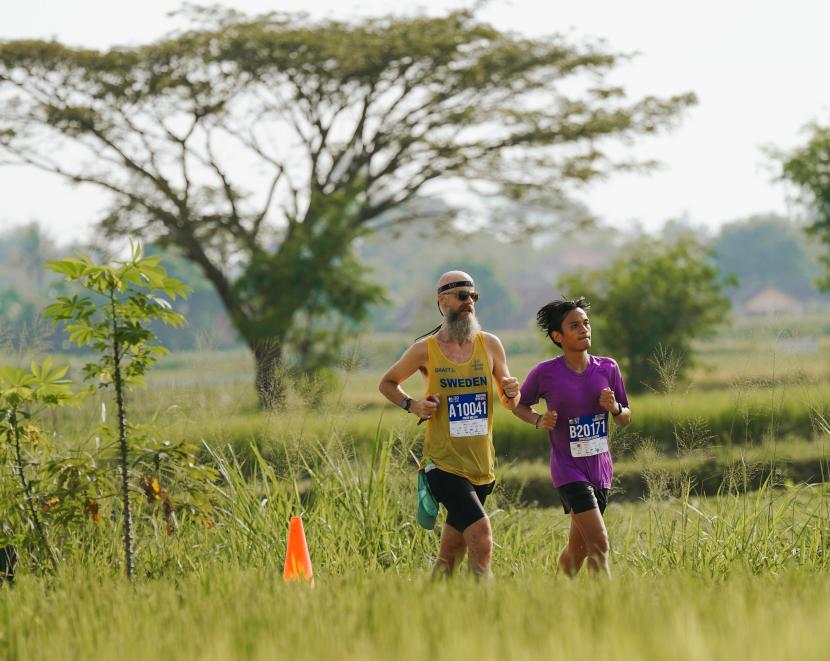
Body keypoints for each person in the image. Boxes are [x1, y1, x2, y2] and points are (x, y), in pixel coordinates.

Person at [378, 271, 520, 578]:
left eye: (473, 296)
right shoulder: (424, 350)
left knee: (451, 553)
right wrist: (412, 404)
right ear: (442, 301)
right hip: (443, 465)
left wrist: (512, 392)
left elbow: (509, 400)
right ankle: (486, 613)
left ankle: (430, 611)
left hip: (481, 465)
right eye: (462, 295)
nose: (470, 302)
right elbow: (387, 383)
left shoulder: (491, 345)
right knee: (481, 538)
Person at [513, 297, 630, 577]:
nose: (584, 329)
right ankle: (606, 606)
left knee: (577, 551)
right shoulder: (545, 373)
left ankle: (559, 587)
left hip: (600, 469)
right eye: (574, 325)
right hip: (569, 470)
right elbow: (519, 404)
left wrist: (613, 407)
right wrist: (539, 420)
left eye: (586, 323)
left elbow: (625, 418)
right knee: (599, 543)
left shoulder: (608, 368)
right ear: (558, 336)